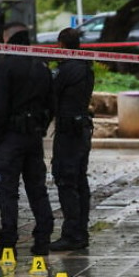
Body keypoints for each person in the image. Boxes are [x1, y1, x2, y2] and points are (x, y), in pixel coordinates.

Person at [0, 22, 54, 259]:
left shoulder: (7, 66)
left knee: (9, 192)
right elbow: (50, 104)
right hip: (34, 137)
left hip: (11, 138)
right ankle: (43, 239)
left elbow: (0, 107)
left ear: (9, 40)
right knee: (37, 189)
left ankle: (8, 243)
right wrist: (40, 127)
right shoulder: (42, 66)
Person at [49, 28, 95, 251]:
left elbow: (51, 94)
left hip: (69, 132)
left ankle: (72, 233)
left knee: (66, 179)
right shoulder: (85, 66)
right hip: (82, 128)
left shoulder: (66, 70)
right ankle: (81, 231)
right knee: (79, 180)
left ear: (61, 46)